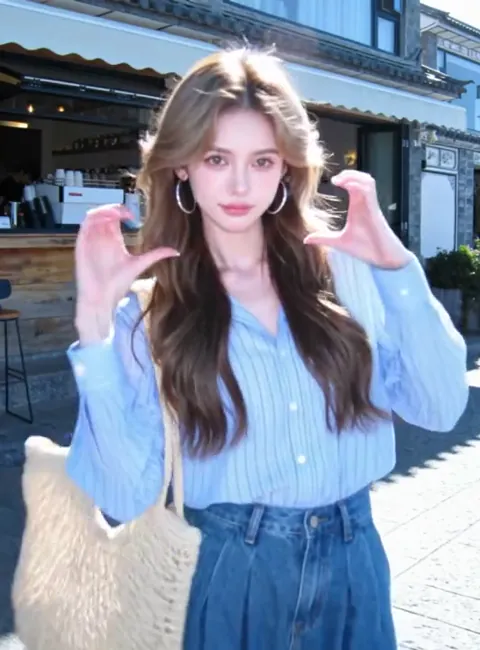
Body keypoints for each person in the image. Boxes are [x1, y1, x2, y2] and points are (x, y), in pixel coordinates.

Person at [67, 48, 468, 649]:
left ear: (286, 167)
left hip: (355, 562)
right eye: (216, 158)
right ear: (182, 166)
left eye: (262, 160)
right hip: (227, 572)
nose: (239, 184)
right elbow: (123, 498)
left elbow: (439, 407)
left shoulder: (345, 272)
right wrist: (95, 327)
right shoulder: (150, 311)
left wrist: (398, 269)